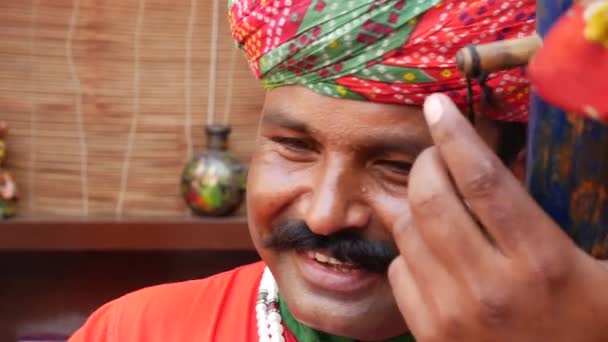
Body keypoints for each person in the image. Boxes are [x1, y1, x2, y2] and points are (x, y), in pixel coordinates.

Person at [70, 0, 608, 341]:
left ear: (514, 176)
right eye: (294, 146)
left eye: (397, 167)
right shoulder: (135, 331)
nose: (326, 215)